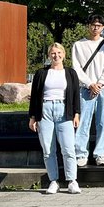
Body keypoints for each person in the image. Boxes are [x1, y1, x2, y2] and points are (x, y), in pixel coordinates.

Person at [29, 43, 81, 194]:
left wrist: (76, 114)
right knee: (48, 149)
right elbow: (35, 97)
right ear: (48, 56)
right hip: (45, 111)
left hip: (64, 111)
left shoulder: (70, 73)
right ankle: (54, 181)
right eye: (53, 53)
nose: (56, 56)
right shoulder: (41, 73)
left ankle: (72, 180)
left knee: (68, 148)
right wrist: (33, 117)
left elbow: (75, 94)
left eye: (59, 53)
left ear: (64, 55)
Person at [72, 13, 104, 167]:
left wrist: (100, 84)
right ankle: (81, 153)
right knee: (83, 121)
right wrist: (90, 83)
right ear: (88, 26)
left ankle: (100, 154)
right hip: (85, 88)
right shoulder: (78, 45)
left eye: (99, 26)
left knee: (103, 121)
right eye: (93, 25)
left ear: (103, 28)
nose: (96, 28)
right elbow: (76, 68)